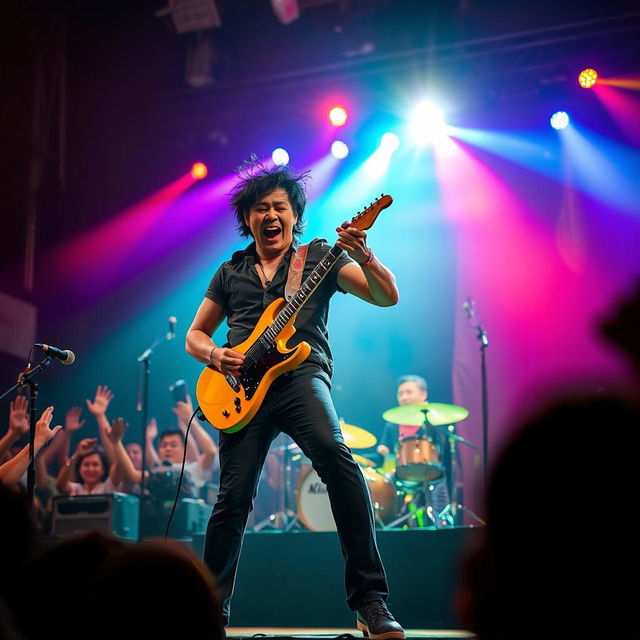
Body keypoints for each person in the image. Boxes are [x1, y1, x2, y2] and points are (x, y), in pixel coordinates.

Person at [185, 160, 403, 638]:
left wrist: (365, 255)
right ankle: (209, 615)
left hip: (300, 375)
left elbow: (387, 297)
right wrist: (218, 355)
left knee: (335, 456)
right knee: (231, 499)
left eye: (279, 207)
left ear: (293, 214)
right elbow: (195, 336)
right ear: (248, 218)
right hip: (239, 388)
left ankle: (370, 601)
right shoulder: (231, 271)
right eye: (260, 208)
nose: (270, 215)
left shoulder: (320, 255)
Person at [376, 375, 451, 525]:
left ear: (423, 395)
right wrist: (384, 453)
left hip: (432, 476)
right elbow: (383, 462)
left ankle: (439, 521)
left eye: (409, 392)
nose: (404, 397)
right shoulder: (392, 425)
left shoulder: (435, 422)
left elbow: (445, 457)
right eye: (400, 393)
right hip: (400, 478)